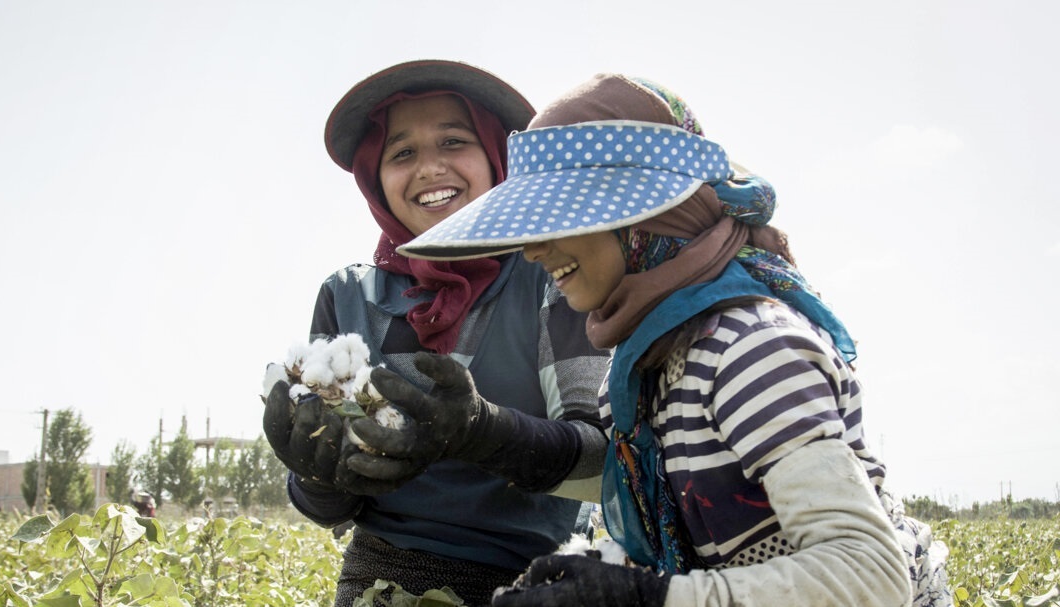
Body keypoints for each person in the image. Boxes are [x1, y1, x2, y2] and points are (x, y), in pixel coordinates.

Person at [398, 73, 952, 607]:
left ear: (646, 218)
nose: (535, 250)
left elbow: (871, 577)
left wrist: (647, 598)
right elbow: (670, 496)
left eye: (556, 220)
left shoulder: (748, 348)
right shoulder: (650, 362)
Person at [261, 60, 612, 606]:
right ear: (375, 177)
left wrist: (482, 431)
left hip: (530, 586)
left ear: (497, 158)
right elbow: (333, 505)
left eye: (453, 141)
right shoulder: (348, 297)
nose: (429, 168)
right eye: (401, 153)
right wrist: (315, 477)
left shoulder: (551, 274)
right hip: (380, 583)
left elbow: (603, 462)